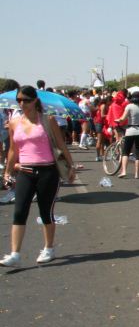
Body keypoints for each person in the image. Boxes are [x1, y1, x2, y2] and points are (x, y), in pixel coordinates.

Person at [1, 86, 76, 267]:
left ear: (35, 100)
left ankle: (49, 248)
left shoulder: (48, 120)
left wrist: (71, 166)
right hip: (25, 172)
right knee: (19, 212)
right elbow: (13, 149)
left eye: (25, 100)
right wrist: (8, 171)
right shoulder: (14, 122)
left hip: (47, 172)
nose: (21, 103)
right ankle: (15, 254)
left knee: (45, 212)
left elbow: (61, 145)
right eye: (19, 100)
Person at [114, 91, 139, 179]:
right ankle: (137, 174)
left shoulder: (129, 106)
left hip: (130, 131)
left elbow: (122, 119)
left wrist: (118, 120)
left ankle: (123, 171)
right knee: (138, 152)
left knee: (126, 152)